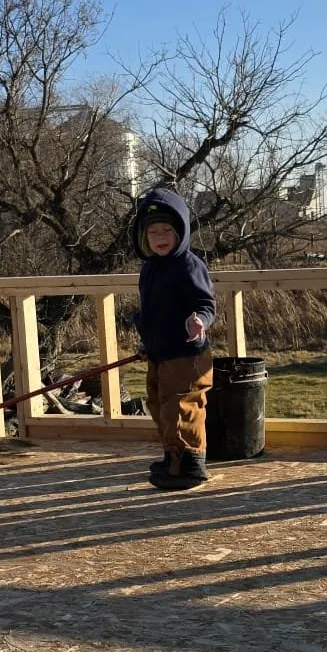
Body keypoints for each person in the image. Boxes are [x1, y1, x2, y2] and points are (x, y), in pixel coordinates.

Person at [129, 186, 216, 490]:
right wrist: (147, 342)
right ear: (144, 237)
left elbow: (206, 304)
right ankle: (173, 459)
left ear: (180, 232)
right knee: (160, 405)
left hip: (186, 354)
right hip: (159, 352)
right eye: (153, 232)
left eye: (167, 230)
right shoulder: (150, 268)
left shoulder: (189, 266)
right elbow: (152, 312)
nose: (160, 237)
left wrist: (200, 321)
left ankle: (192, 466)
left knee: (182, 408)